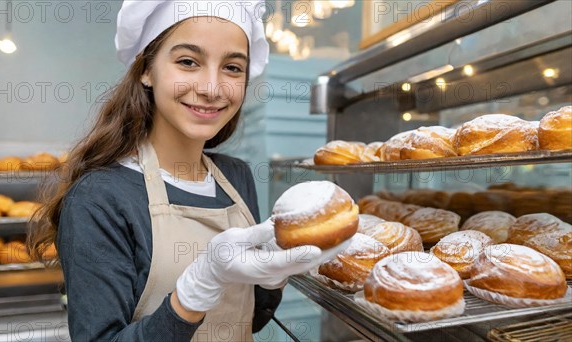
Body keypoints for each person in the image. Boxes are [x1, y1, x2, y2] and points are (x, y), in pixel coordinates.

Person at [27, 1, 349, 341]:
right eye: (188, 62)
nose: (212, 88)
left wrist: (271, 278)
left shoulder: (236, 177)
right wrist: (194, 293)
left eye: (233, 68)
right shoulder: (100, 198)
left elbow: (245, 321)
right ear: (146, 70)